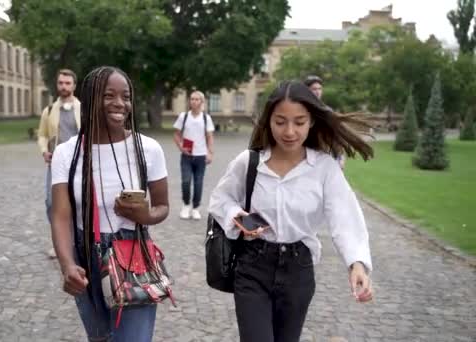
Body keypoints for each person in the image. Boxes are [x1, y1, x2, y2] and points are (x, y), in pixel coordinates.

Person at [209, 81, 374, 342]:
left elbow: (344, 215)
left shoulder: (324, 168)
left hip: (298, 271)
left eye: (299, 122)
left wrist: (357, 264)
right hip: (253, 267)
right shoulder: (249, 161)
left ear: (311, 122)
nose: (289, 131)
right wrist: (236, 216)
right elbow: (221, 199)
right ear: (268, 121)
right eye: (280, 121)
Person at [50, 66, 170, 341]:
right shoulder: (67, 153)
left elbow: (163, 207)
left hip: (132, 253)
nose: (120, 103)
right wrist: (67, 264)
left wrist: (146, 214)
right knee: (101, 337)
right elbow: (61, 216)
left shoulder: (147, 149)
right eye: (109, 95)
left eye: (126, 96)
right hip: (86, 258)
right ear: (90, 99)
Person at [37, 69, 82, 258]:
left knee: (77, 202)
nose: (64, 86)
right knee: (50, 202)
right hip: (56, 163)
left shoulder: (84, 108)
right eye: (61, 83)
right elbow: (42, 135)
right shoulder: (49, 110)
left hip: (79, 162)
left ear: (74, 85)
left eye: (67, 83)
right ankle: (59, 238)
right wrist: (44, 151)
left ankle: (75, 239)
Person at [172, 91, 215, 220]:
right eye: (192, 99)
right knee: (186, 181)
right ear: (189, 101)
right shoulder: (183, 116)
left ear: (202, 102)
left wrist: (210, 153)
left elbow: (210, 137)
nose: (194, 101)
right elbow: (176, 134)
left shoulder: (205, 118)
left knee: (198, 183)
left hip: (201, 156)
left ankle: (195, 208)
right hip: (187, 156)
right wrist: (181, 147)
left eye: (197, 99)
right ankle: (186, 205)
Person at [304, 75, 345, 170]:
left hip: (326, 156)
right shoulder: (300, 110)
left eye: (319, 89)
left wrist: (340, 157)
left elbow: (335, 136)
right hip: (305, 157)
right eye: (314, 89)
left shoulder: (327, 111)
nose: (317, 92)